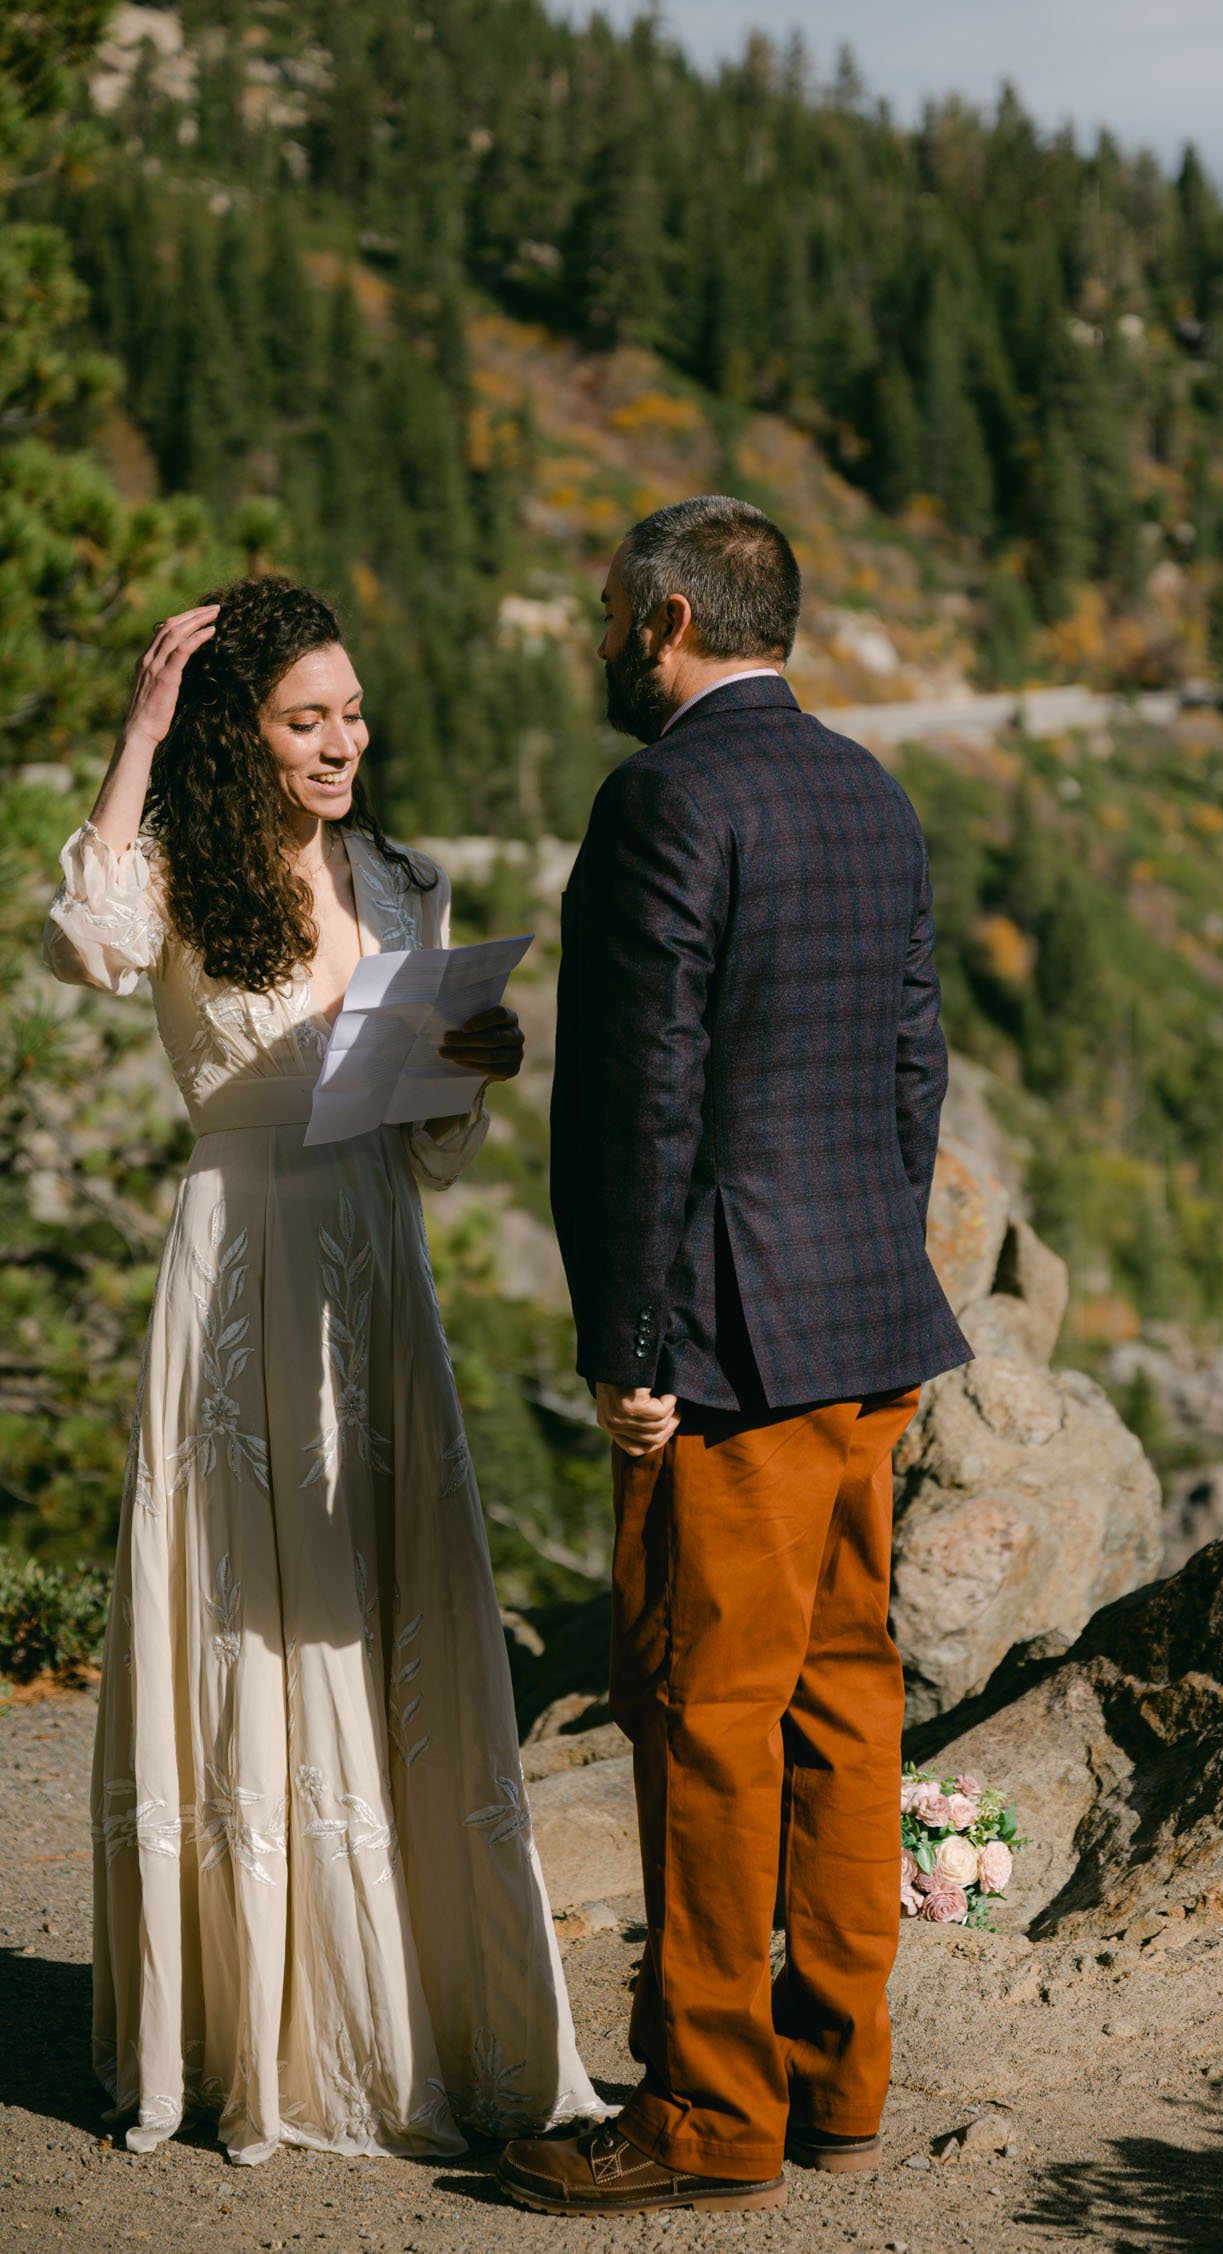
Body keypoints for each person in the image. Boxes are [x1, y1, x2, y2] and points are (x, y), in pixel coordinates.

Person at [43, 576, 601, 2165]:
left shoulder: (405, 877)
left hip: (374, 1264)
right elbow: (86, 938)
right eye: (307, 717)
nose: (344, 741)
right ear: (243, 732)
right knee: (242, 1614)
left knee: (385, 1604)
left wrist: (469, 1071)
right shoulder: (176, 866)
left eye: (352, 712)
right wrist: (141, 731)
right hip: (237, 1266)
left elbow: (428, 1145)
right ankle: (243, 2027)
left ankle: (407, 2004)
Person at [499, 496, 971, 2218]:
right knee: (849, 1703)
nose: (601, 634)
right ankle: (841, 2074)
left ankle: (708, 2112)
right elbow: (915, 1068)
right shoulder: (873, 790)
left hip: (735, 1350)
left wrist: (633, 1342)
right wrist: (861, 1266)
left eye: (613, 609)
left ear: (672, 618)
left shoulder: (663, 800)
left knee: (711, 1719)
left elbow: (645, 1102)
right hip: (867, 1335)